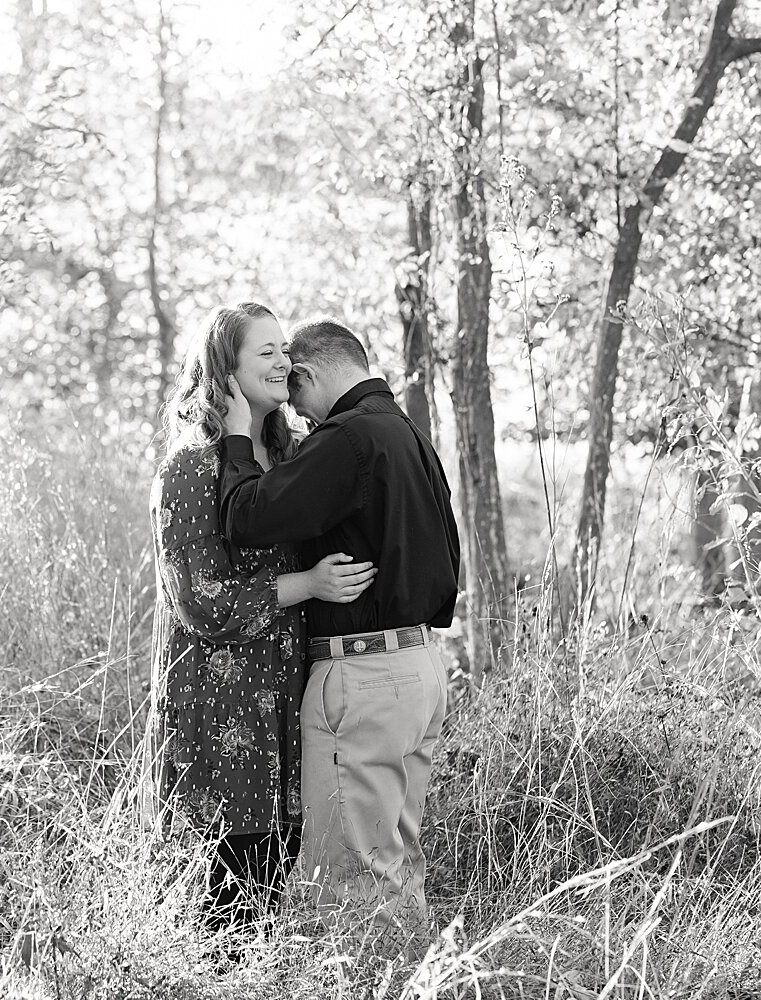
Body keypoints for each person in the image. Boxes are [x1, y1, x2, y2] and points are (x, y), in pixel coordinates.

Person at [217, 317, 460, 936]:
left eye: (295, 392)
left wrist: (240, 439)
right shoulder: (408, 436)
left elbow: (246, 516)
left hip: (365, 678)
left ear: (311, 373)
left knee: (350, 876)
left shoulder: (347, 439)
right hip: (420, 670)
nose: (296, 413)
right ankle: (414, 977)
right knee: (394, 865)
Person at [150, 302, 378, 932]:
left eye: (286, 350)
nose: (285, 362)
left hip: (285, 712)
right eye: (266, 352)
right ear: (225, 370)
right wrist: (308, 584)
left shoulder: (291, 461)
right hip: (220, 722)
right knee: (218, 908)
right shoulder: (191, 469)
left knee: (268, 906)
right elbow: (202, 603)